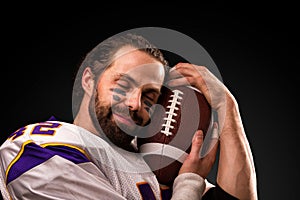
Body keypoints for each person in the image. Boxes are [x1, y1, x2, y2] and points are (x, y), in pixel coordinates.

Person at [0, 30, 257, 199]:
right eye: (122, 86)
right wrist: (188, 184)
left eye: (149, 98)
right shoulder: (40, 145)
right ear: (89, 80)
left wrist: (227, 107)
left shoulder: (159, 164)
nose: (135, 104)